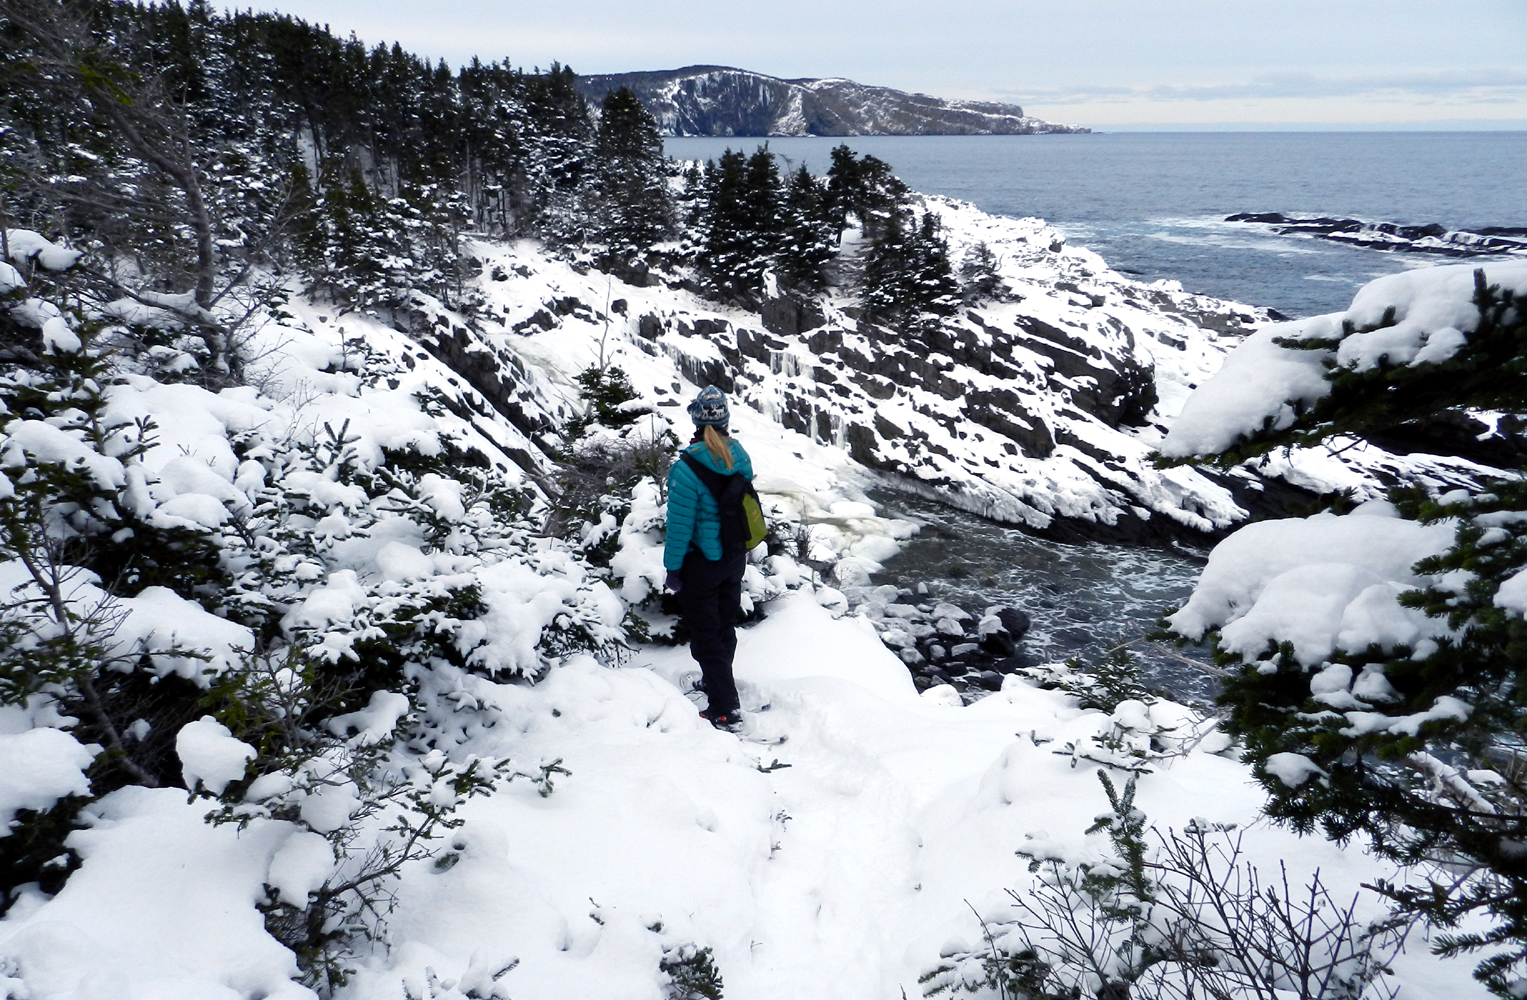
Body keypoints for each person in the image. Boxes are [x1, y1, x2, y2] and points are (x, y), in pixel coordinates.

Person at [664, 386, 753, 728]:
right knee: (723, 626)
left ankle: (725, 708)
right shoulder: (739, 455)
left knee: (705, 635)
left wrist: (673, 568)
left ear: (696, 422)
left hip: (702, 562)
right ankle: (717, 684)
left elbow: (680, 528)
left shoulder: (686, 469)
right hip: (733, 556)